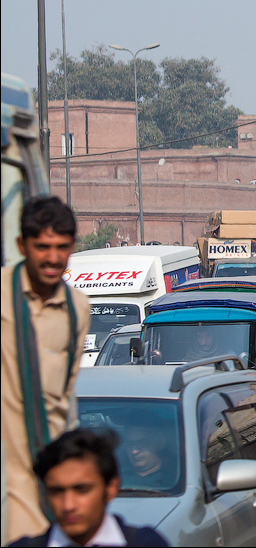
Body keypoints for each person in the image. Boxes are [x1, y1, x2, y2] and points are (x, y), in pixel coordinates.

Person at [1, 196, 91, 544]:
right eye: (42, 247)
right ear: (22, 245)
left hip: (44, 489)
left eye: (61, 247)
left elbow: (63, 400)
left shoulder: (76, 310)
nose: (53, 258)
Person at [9, 428, 168, 547]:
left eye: (82, 490)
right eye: (57, 491)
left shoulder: (146, 543)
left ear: (111, 487)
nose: (68, 505)